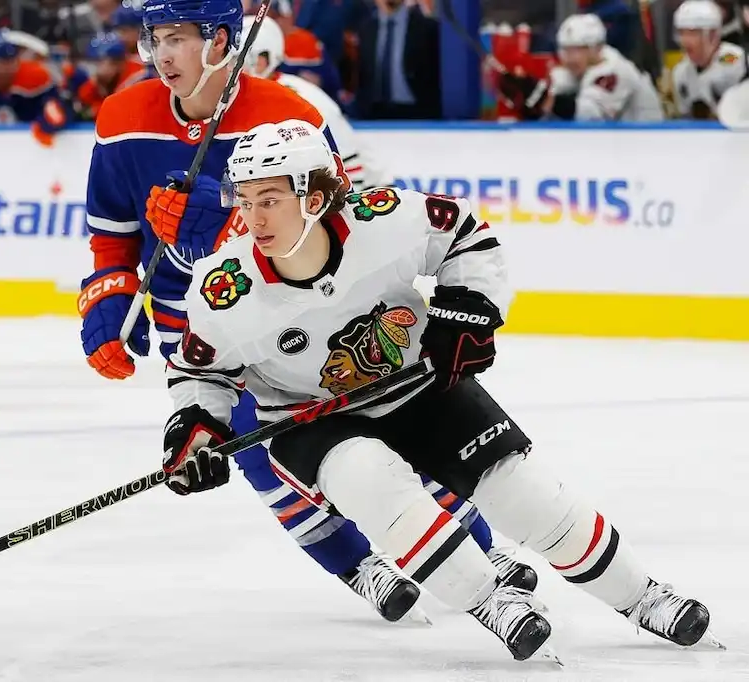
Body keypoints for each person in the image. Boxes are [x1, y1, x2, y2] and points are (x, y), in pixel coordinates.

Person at [162, 118, 723, 661]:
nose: (252, 217)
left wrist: (468, 310)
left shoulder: (385, 219)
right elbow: (199, 373)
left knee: (528, 497)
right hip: (315, 418)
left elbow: (466, 237)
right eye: (246, 198)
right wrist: (194, 427)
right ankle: (490, 602)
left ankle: (643, 595)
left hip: (420, 384)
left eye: (270, 200)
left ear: (314, 197)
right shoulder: (223, 288)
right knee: (371, 484)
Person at [78, 0, 535, 624]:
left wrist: (223, 230)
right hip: (196, 328)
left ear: (220, 40)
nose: (160, 54)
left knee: (386, 429)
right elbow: (113, 232)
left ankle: (480, 550)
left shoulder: (289, 116)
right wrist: (106, 294)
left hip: (307, 315)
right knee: (257, 455)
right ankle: (357, 566)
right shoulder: (122, 117)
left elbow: (334, 222)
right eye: (153, 37)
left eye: (177, 37)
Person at [238, 15, 390, 190]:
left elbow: (348, 159)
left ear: (264, 59)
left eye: (242, 58)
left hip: (370, 189)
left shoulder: (301, 96)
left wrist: (343, 209)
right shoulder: (245, 97)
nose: (235, 67)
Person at [499, 13, 663, 122]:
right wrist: (527, 102)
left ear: (596, 48)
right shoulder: (572, 72)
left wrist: (545, 99)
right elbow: (552, 111)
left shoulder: (616, 70)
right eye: (565, 50)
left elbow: (591, 115)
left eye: (577, 50)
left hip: (648, 151)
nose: (569, 58)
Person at [0, 28, 69, 145]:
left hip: (34, 150)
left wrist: (54, 115)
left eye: (8, 61)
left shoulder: (36, 79)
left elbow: (59, 111)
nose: (2, 69)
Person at [671, 0, 746, 120]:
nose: (685, 41)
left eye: (692, 33)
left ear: (712, 35)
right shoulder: (681, 72)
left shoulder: (734, 60)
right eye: (682, 33)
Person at [75, 32, 151, 120]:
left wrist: (94, 110)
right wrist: (96, 83)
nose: (95, 68)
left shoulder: (138, 75)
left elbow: (117, 112)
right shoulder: (107, 77)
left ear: (116, 63)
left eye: (98, 62)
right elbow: (83, 98)